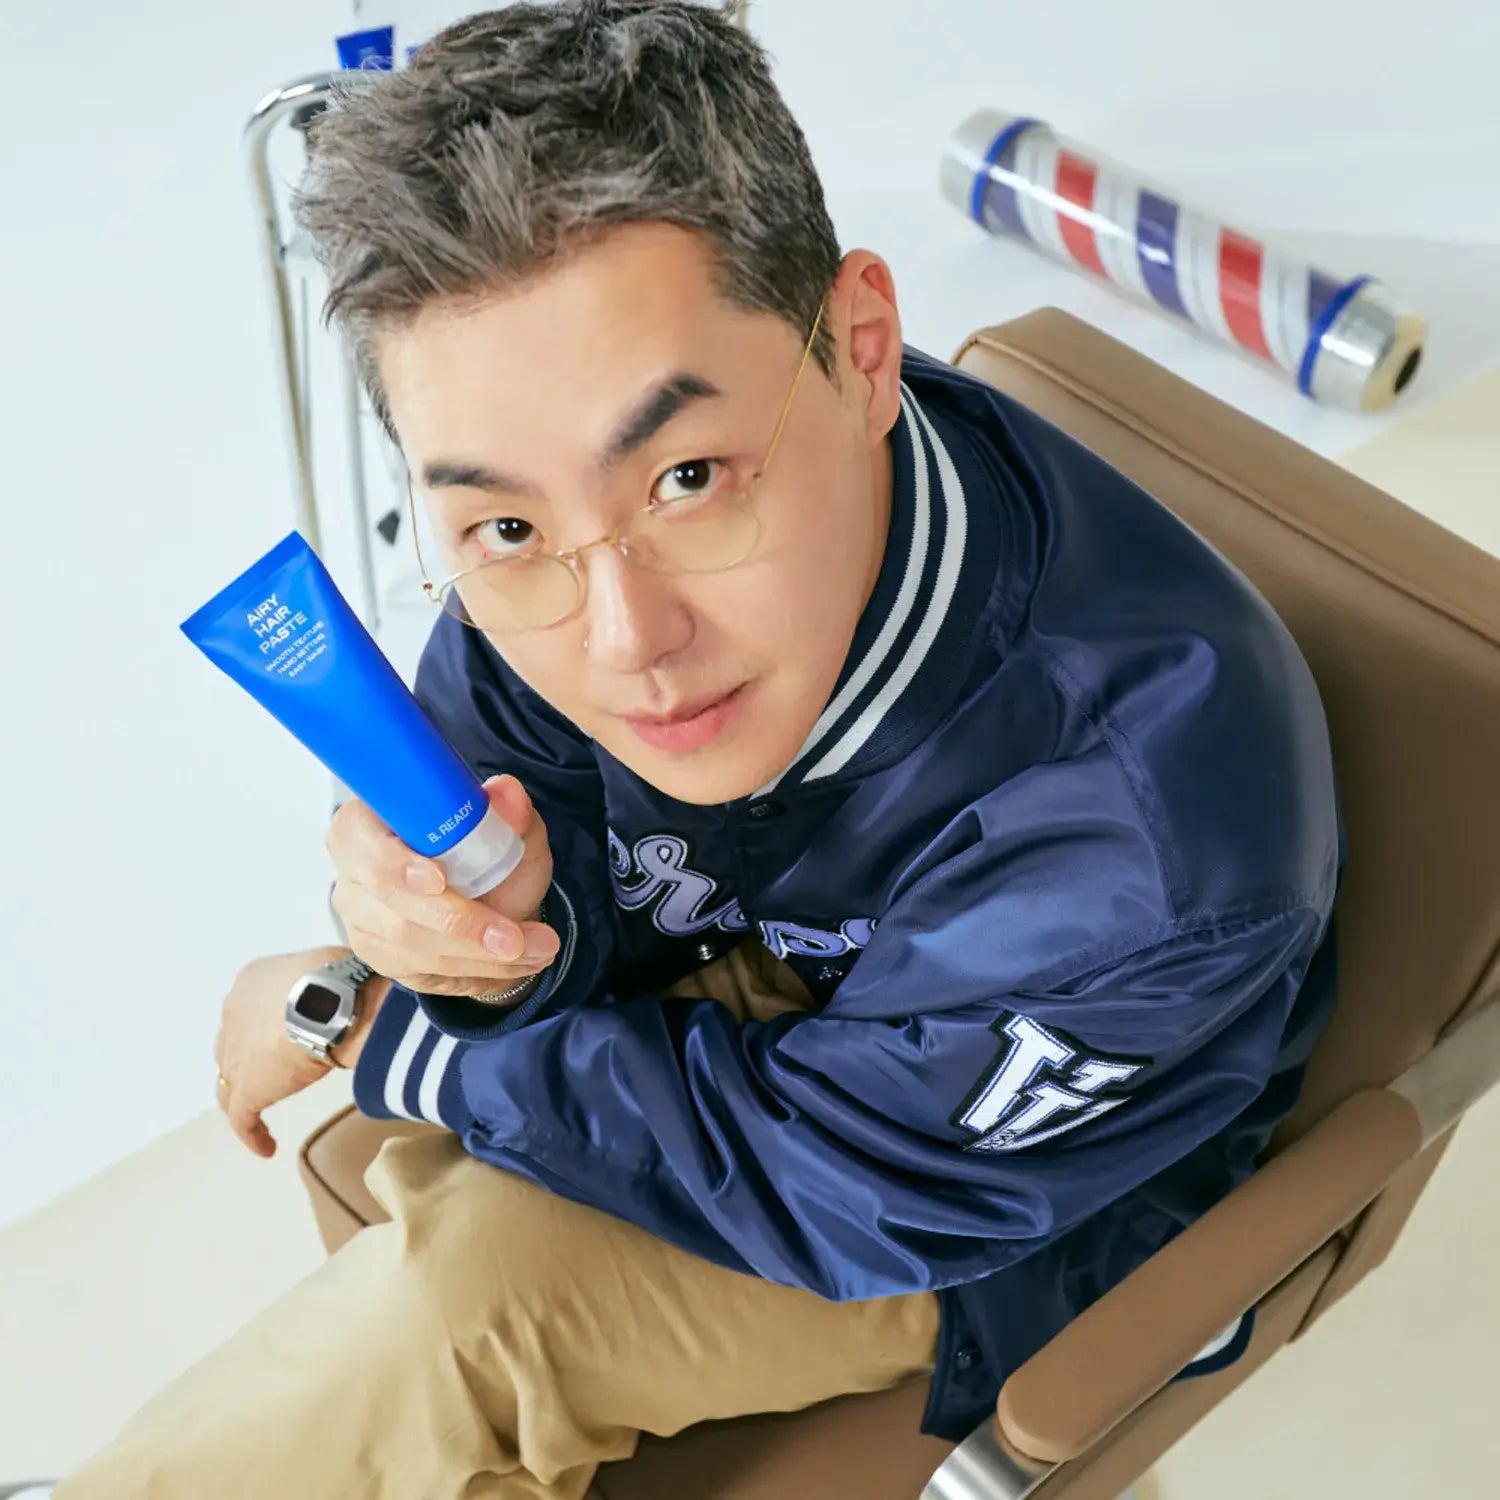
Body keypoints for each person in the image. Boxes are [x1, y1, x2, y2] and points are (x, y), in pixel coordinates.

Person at [27, 3, 1343, 1497]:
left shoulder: (1141, 845)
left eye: (689, 478)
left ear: (862, 350)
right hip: (806, 982)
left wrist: (376, 1027)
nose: (623, 639)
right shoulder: (588, 539)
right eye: (504, 524)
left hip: (986, 1188)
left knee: (466, 1317)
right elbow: (554, 862)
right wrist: (489, 934)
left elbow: (846, 1188)